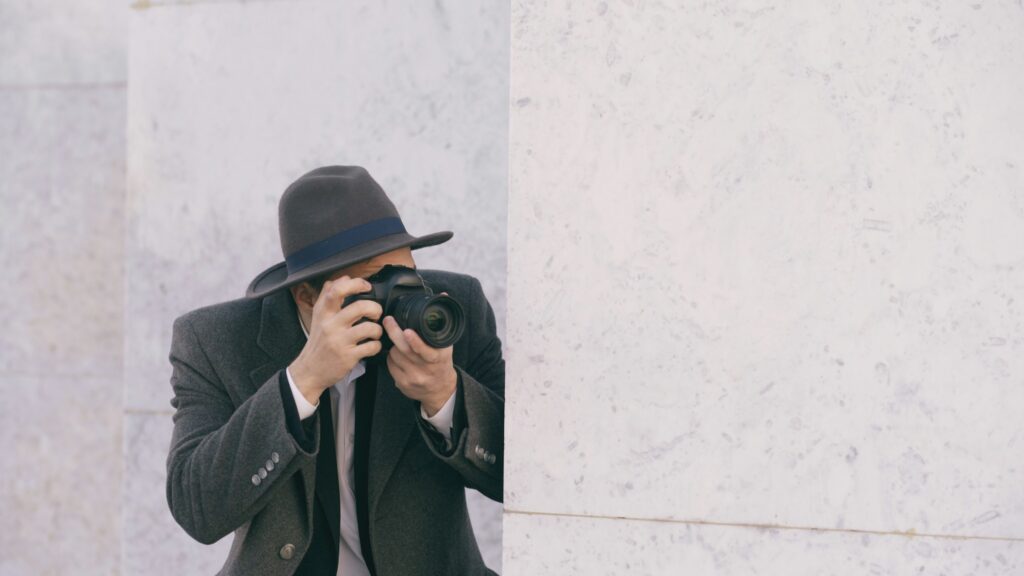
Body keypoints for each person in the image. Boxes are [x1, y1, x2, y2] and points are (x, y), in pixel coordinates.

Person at [165, 165, 504, 576]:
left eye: (407, 273)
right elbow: (197, 510)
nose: (401, 293)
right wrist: (301, 383)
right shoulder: (214, 340)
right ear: (307, 293)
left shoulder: (452, 312)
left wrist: (445, 396)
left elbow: (525, 478)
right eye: (376, 281)